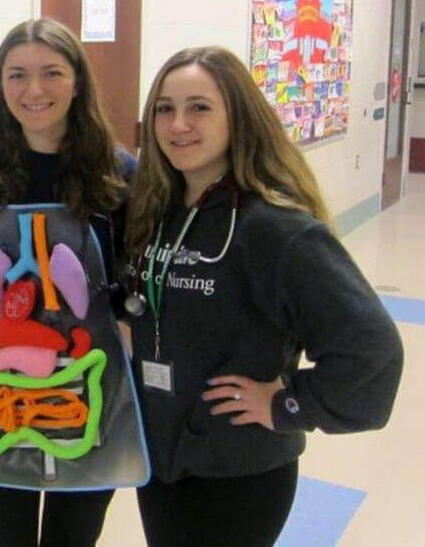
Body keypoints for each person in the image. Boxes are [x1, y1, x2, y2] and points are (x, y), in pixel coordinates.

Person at [123, 46, 404, 547]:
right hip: (165, 460)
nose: (177, 124)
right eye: (164, 108)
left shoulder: (275, 229)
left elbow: (372, 350)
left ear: (239, 117)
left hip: (239, 472)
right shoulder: (157, 214)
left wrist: (288, 405)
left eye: (199, 107)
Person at [0, 18, 135, 547]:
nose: (34, 90)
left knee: (73, 537)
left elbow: (138, 275)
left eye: (52, 73)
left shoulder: (119, 172)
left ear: (78, 81)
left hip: (88, 381)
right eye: (17, 75)